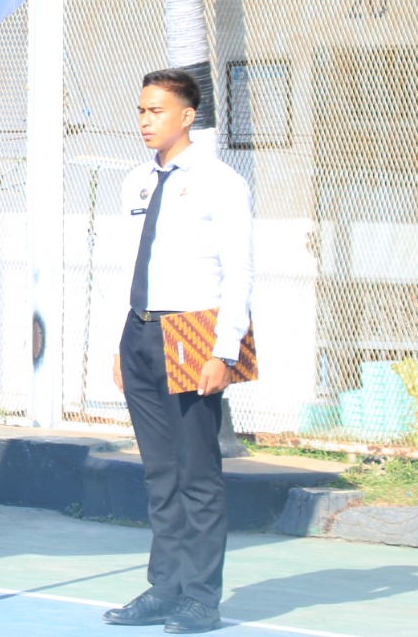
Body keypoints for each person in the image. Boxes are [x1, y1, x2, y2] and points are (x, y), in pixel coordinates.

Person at [104, 68, 253, 635]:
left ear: (187, 116)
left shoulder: (220, 182)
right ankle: (164, 588)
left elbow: (239, 272)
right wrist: (118, 344)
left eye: (157, 110)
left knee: (197, 473)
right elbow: (127, 265)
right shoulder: (136, 182)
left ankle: (200, 598)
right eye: (141, 110)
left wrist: (224, 351)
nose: (145, 121)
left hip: (192, 334)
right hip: (140, 332)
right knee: (159, 472)